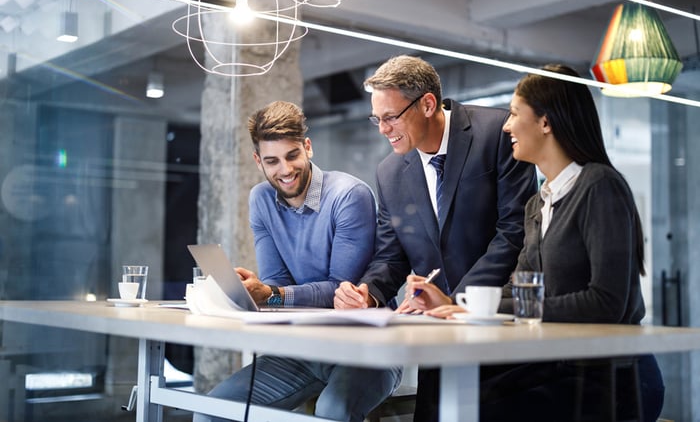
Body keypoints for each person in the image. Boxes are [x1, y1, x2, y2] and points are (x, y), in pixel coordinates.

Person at [428, 64, 665, 421]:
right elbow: (522, 288)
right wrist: (460, 304)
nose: (507, 126)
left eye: (513, 114)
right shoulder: (539, 202)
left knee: (479, 408)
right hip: (563, 365)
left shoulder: (599, 185)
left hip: (610, 376)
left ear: (545, 122)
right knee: (449, 393)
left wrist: (494, 309)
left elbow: (607, 302)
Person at [333, 55, 537, 421]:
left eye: (391, 117)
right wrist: (368, 292)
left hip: (498, 331)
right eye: (376, 119)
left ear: (427, 104)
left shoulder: (497, 133)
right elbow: (391, 257)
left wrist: (454, 301)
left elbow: (514, 231)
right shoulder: (390, 171)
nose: (382, 129)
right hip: (436, 344)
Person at [193, 101, 402, 422]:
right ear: (258, 161)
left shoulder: (349, 195)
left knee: (332, 411)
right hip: (302, 348)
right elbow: (277, 282)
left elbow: (338, 290)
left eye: (292, 156)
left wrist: (271, 294)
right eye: (272, 161)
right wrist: (255, 292)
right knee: (211, 412)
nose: (285, 170)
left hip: (365, 347)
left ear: (307, 147)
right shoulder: (261, 199)